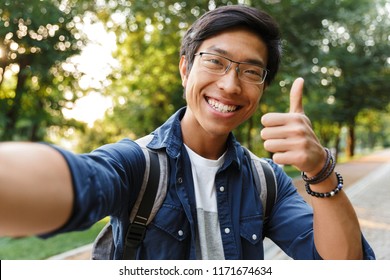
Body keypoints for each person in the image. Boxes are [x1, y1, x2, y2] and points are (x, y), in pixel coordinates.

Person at [0, 5, 375, 260]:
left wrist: (320, 170)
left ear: (262, 88)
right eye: (215, 61)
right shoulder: (136, 165)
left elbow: (343, 265)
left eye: (250, 71)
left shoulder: (266, 181)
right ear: (185, 69)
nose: (230, 85)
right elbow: (78, 182)